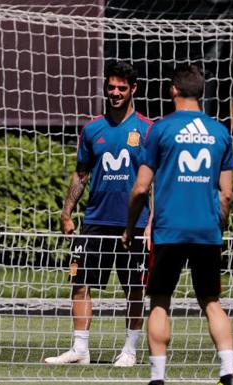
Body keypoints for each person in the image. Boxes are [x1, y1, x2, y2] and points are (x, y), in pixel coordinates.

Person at [122, 64, 233, 385]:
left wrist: (131, 227)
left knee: (159, 301)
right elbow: (226, 194)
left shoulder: (160, 130)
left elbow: (141, 187)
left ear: (173, 89)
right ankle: (228, 373)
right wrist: (218, 227)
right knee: (211, 302)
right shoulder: (220, 132)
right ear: (201, 92)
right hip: (206, 230)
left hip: (169, 230)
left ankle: (158, 378)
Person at [45, 61, 152, 367]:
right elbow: (80, 175)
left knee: (133, 288)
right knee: (79, 282)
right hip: (94, 222)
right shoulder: (92, 129)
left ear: (133, 89)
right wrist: (67, 213)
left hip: (134, 225)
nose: (115, 93)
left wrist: (152, 224)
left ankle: (129, 351)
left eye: (121, 88)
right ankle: (80, 350)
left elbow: (154, 181)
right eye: (111, 87)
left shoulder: (147, 129)